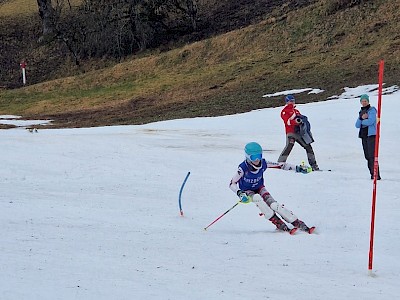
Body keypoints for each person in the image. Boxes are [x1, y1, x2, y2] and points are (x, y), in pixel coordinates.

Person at [229, 142, 315, 234]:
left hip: (260, 187)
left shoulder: (264, 163)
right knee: (259, 201)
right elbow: (232, 183)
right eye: (254, 157)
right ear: (248, 157)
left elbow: (282, 165)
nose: (257, 159)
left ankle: (296, 222)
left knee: (274, 205)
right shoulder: (243, 168)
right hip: (247, 191)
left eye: (259, 156)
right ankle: (278, 223)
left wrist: (298, 168)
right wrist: (240, 193)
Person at [277, 94, 319, 171]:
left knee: (308, 147)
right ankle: (280, 163)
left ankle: (314, 165)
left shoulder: (296, 111)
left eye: (293, 101)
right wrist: (296, 121)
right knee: (289, 146)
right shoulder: (284, 111)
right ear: (286, 102)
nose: (292, 103)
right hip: (291, 133)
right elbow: (288, 122)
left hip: (299, 133)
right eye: (290, 101)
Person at [355, 94, 381, 180]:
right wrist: (362, 118)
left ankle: (376, 174)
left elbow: (370, 121)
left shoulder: (372, 110)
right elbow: (357, 125)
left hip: (371, 135)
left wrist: (362, 120)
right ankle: (372, 173)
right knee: (367, 156)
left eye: (365, 101)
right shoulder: (361, 111)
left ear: (368, 101)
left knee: (372, 155)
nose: (364, 103)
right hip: (364, 136)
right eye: (362, 101)